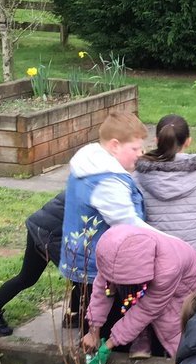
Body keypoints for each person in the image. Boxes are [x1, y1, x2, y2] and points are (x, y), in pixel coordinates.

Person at [60, 111, 150, 332]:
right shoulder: (108, 183)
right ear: (115, 145)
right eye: (135, 149)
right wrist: (171, 243)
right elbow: (129, 226)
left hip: (79, 257)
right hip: (99, 267)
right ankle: (97, 362)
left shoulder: (88, 164)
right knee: (102, 322)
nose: (141, 153)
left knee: (89, 315)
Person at [81, 225, 196, 360]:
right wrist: (93, 331)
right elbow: (103, 287)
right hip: (152, 285)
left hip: (182, 295)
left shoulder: (167, 269)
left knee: (178, 337)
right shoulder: (112, 254)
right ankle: (142, 336)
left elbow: (146, 310)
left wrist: (109, 344)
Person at [133, 114, 196, 263]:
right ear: (188, 141)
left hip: (156, 256)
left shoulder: (138, 177)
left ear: (157, 141)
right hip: (195, 255)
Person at [0, 192, 67, 337]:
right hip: (47, 231)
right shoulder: (103, 186)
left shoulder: (98, 180)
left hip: (48, 227)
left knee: (30, 277)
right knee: (29, 277)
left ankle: (73, 315)